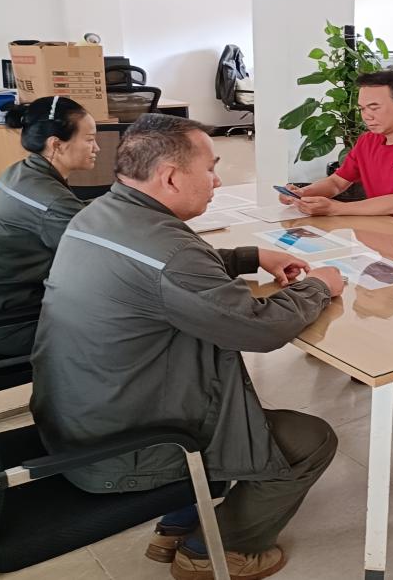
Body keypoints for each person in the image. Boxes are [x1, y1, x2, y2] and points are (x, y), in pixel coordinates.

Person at [30, 113, 345, 580]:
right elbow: (260, 329)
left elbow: (165, 269)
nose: (218, 180)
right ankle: (215, 551)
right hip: (125, 448)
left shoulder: (99, 213)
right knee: (309, 441)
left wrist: (250, 257)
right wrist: (319, 286)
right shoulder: (170, 252)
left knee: (239, 411)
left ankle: (178, 523)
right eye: (211, 168)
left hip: (79, 421)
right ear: (171, 177)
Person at [0, 95, 99, 356]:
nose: (96, 147)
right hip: (11, 326)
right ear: (56, 144)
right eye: (89, 139)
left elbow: (70, 217)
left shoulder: (20, 172)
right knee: (133, 320)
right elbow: (102, 257)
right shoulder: (50, 201)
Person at [279, 69, 393, 229]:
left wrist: (335, 208)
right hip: (382, 228)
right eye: (362, 109)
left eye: (374, 107)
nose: (366, 116)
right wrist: (302, 193)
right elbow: (337, 183)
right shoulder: (367, 141)